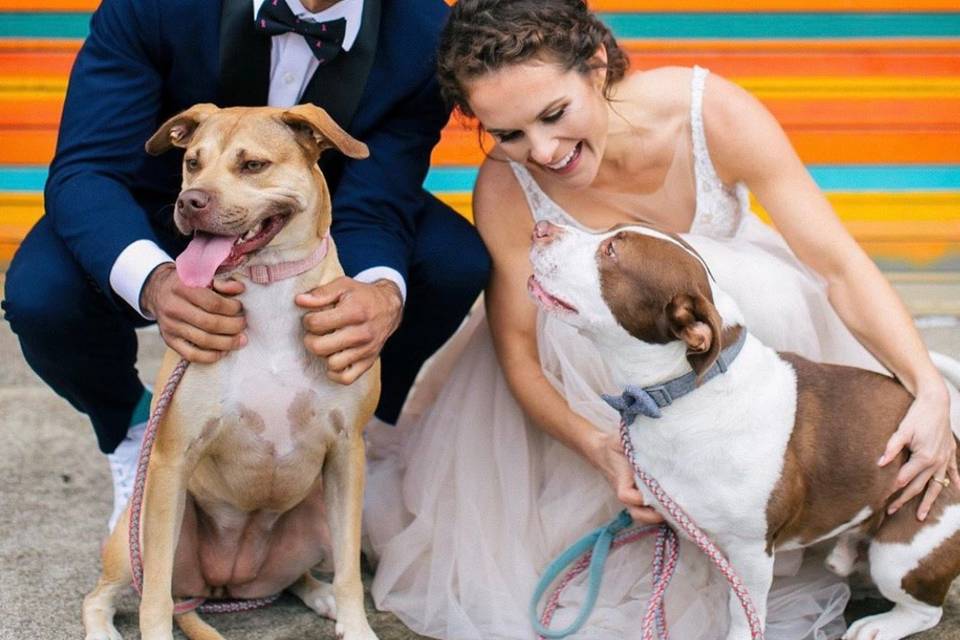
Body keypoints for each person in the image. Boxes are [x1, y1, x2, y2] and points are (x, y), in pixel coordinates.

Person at [363, 1, 960, 638]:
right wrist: (598, 447)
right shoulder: (507, 189)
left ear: (596, 65)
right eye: (506, 134)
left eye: (554, 114)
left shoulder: (709, 112)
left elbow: (838, 267)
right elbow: (518, 355)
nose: (540, 150)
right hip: (593, 388)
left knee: (748, 289)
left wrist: (926, 389)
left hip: (751, 354)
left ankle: (787, 508)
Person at [0, 0, 489, 531]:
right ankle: (133, 429)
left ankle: (353, 436)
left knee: (451, 261)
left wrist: (379, 295)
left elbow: (380, 198)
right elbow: (87, 167)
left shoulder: (425, 33)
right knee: (42, 294)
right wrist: (155, 280)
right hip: (166, 202)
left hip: (319, 213)